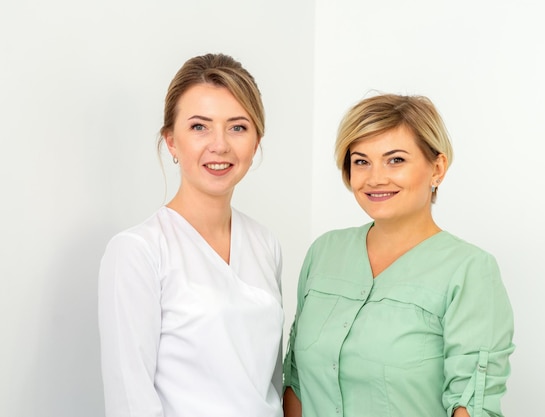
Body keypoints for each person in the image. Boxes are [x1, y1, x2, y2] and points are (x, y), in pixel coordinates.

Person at [283, 93, 514, 417]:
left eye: (396, 160)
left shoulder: (469, 270)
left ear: (437, 168)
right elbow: (296, 382)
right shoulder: (324, 253)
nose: (376, 178)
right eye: (361, 161)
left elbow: (470, 405)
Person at [98, 53, 284, 417]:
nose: (220, 145)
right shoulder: (138, 251)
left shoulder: (266, 244)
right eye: (200, 126)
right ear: (171, 141)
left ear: (256, 141)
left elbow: (270, 380)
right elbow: (130, 401)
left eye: (238, 127)